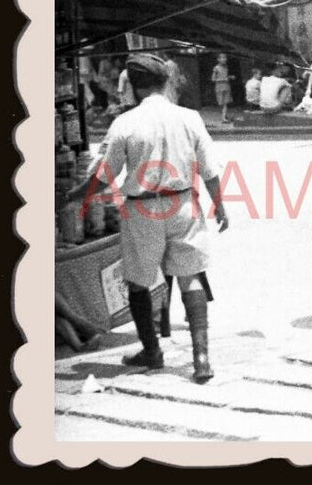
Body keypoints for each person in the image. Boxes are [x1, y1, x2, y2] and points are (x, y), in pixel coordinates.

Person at [66, 52, 229, 383]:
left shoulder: (125, 123)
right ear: (165, 81)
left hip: (143, 210)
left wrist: (75, 195)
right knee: (191, 276)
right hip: (183, 204)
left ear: (133, 87)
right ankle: (201, 358)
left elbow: (104, 176)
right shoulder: (190, 117)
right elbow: (209, 170)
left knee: (138, 282)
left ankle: (152, 353)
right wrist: (221, 206)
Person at [210, 54, 234, 123]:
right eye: (222, 58)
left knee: (226, 103)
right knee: (222, 103)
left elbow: (226, 76)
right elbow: (213, 79)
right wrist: (224, 79)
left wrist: (229, 77)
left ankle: (224, 117)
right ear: (218, 59)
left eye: (225, 58)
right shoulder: (216, 68)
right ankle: (223, 117)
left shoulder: (226, 67)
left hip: (226, 86)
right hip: (219, 87)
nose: (224, 59)